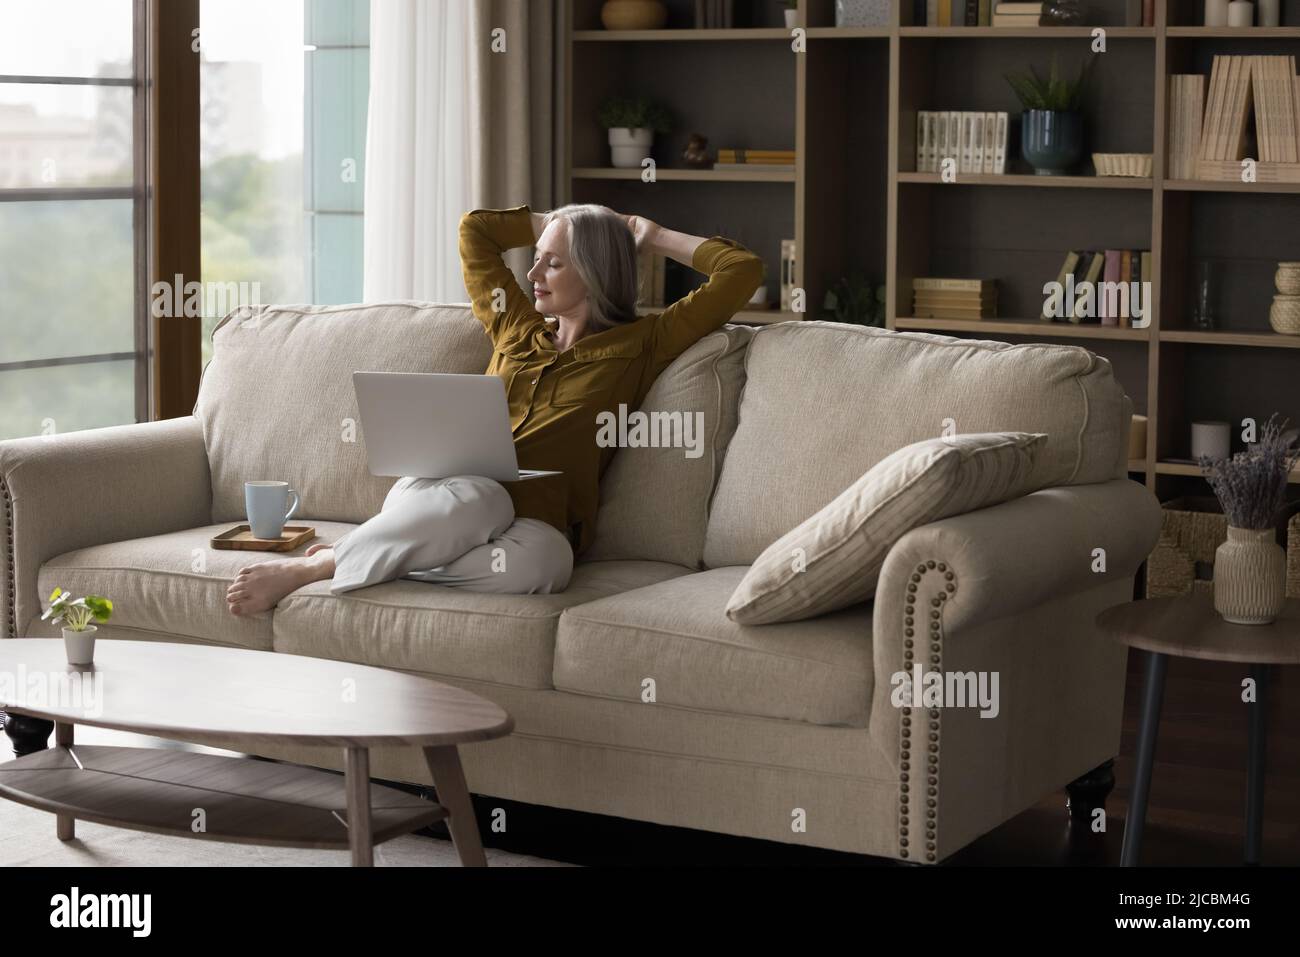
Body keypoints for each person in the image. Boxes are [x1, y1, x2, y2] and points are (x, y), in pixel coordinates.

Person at [225, 203, 765, 615]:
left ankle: (388, 561)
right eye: (536, 261)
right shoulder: (515, 326)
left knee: (548, 565)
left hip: (534, 522)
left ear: (596, 272)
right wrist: (554, 223)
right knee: (482, 496)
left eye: (553, 264)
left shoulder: (644, 343)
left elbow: (741, 270)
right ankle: (317, 565)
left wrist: (651, 236)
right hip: (443, 496)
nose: (533, 276)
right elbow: (476, 232)